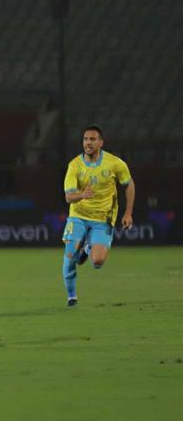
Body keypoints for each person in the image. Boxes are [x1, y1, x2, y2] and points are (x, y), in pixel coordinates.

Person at [61, 126, 135, 307]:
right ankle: (72, 298)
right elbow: (69, 197)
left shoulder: (114, 163)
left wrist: (128, 212)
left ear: (101, 142)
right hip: (78, 216)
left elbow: (129, 184)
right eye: (85, 139)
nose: (88, 143)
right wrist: (82, 195)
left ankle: (87, 249)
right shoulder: (74, 165)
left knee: (98, 261)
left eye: (92, 139)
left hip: (103, 219)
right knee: (70, 257)